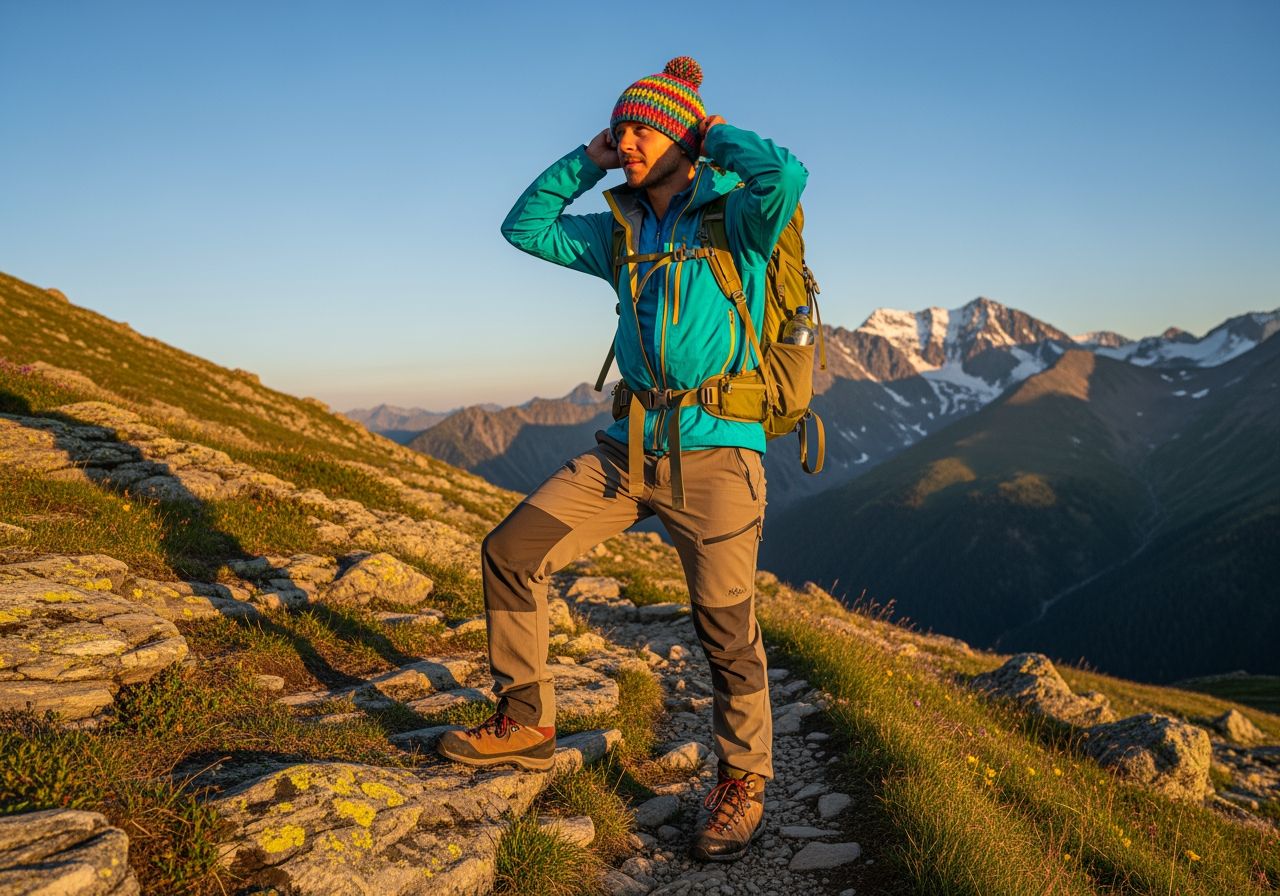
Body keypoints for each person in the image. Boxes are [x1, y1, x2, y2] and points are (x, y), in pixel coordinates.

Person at [437, 56, 808, 864]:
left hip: (719, 457)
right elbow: (524, 229)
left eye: (642, 129)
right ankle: (527, 721)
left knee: (724, 629)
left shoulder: (738, 221)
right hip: (629, 449)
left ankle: (742, 780)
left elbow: (787, 174)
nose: (628, 141)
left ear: (682, 135)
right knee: (510, 551)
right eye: (622, 128)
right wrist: (587, 158)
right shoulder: (620, 228)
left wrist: (713, 135)